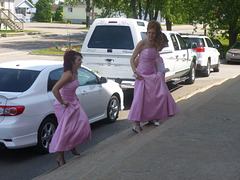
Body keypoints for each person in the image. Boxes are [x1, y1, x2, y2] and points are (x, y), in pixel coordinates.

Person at [128, 20, 179, 133]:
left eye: (153, 33)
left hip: (152, 75)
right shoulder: (142, 43)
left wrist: (157, 72)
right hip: (141, 76)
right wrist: (135, 73)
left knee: (153, 98)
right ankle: (136, 124)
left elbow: (154, 60)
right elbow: (132, 59)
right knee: (139, 100)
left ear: (157, 34)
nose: (150, 35)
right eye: (149, 32)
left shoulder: (156, 44)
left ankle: (152, 117)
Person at [49, 50, 91, 166]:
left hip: (72, 102)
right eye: (79, 60)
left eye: (80, 59)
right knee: (64, 130)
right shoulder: (68, 74)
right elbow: (55, 89)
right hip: (63, 105)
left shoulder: (75, 72)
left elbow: (70, 87)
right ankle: (60, 157)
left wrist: (74, 95)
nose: (81, 62)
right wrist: (62, 102)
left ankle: (72, 145)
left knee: (81, 123)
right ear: (72, 62)